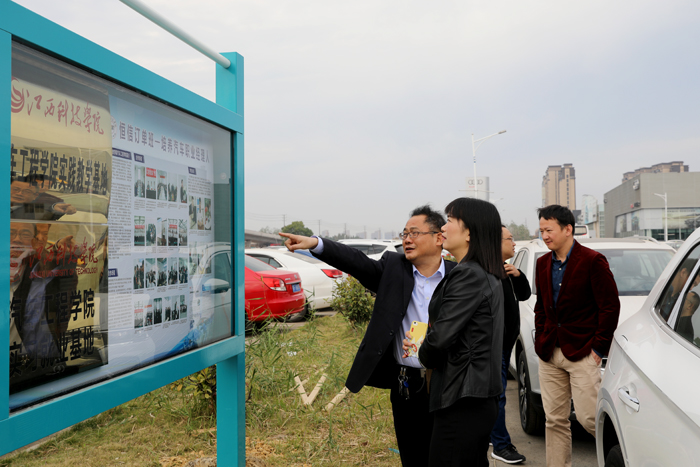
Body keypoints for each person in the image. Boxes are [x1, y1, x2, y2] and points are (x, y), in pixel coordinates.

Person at [281, 205, 455, 467]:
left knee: (447, 457)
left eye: (414, 233)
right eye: (404, 233)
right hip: (407, 385)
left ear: (438, 238)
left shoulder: (458, 275)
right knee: (413, 458)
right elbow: (355, 261)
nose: (407, 239)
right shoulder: (394, 269)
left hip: (448, 382)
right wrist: (316, 244)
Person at [403, 197, 504, 466]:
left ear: (469, 232)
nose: (443, 228)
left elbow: (441, 339)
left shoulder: (468, 274)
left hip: (462, 399)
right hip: (475, 397)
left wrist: (421, 350)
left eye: (449, 221)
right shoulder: (484, 272)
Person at [534, 205, 620, 467]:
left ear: (568, 229)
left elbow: (609, 307)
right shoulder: (542, 263)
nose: (545, 236)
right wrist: (540, 339)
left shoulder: (593, 260)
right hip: (550, 352)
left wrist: (598, 349)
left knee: (590, 418)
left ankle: (626, 458)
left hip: (583, 352)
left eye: (549, 230)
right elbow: (541, 307)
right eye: (541, 231)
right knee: (554, 420)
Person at [490, 226, 530, 464]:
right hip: (495, 346)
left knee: (497, 394)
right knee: (498, 395)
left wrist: (518, 274)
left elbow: (524, 294)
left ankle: (493, 435)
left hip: (506, 344)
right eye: (510, 239)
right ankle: (501, 445)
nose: (514, 243)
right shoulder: (488, 272)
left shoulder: (506, 269)